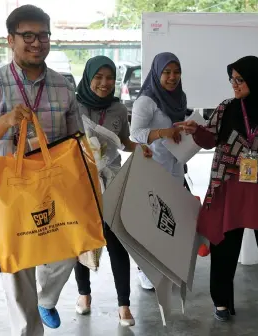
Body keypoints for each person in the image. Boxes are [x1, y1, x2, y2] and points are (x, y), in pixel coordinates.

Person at [175, 56, 258, 331]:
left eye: (239, 79)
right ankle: (221, 302)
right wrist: (196, 131)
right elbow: (210, 139)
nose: (234, 85)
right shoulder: (226, 108)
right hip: (228, 185)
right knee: (224, 246)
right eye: (232, 80)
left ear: (255, 78)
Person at [0, 5, 81, 335]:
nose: (37, 42)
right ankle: (29, 330)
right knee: (17, 270)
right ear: (11, 40)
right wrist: (6, 120)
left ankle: (45, 298)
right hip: (7, 189)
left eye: (43, 35)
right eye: (27, 35)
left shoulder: (62, 86)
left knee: (71, 245)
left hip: (51, 183)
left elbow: (76, 139)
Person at [74, 55, 152, 327]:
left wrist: (139, 147)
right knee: (83, 242)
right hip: (81, 183)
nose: (104, 83)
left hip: (113, 182)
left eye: (109, 78)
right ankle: (84, 295)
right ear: (89, 78)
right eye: (98, 78)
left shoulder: (118, 109)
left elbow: (124, 141)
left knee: (117, 242)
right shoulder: (75, 106)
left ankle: (124, 305)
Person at [130, 52, 188, 290]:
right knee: (152, 220)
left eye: (176, 72)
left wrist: (187, 128)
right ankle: (145, 269)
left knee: (170, 221)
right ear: (157, 73)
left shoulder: (179, 97)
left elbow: (176, 129)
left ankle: (166, 266)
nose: (172, 77)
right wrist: (163, 133)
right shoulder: (146, 100)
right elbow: (135, 134)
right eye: (166, 72)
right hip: (153, 167)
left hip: (176, 167)